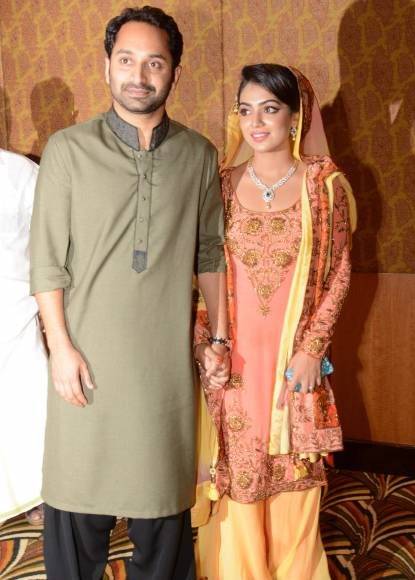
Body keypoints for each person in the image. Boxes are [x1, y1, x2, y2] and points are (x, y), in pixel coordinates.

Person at [29, 6, 229, 579]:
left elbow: (210, 254)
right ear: (107, 66)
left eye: (154, 63)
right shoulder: (68, 149)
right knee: (75, 504)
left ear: (174, 73)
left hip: (163, 370)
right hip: (85, 362)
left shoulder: (198, 154)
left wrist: (218, 337)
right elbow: (46, 260)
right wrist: (60, 348)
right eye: (126, 60)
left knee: (162, 511)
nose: (138, 75)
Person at [193, 64, 357, 579]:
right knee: (241, 474)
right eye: (246, 110)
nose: (256, 123)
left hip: (292, 361)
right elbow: (206, 271)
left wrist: (311, 351)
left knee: (293, 475)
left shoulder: (322, 185)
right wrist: (207, 345)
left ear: (295, 116)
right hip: (238, 359)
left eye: (270, 109)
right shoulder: (222, 185)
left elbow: (339, 271)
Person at [0, 149, 47, 526]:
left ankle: (37, 493)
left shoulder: (21, 172)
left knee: (27, 402)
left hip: (15, 310)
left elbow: (48, 245)